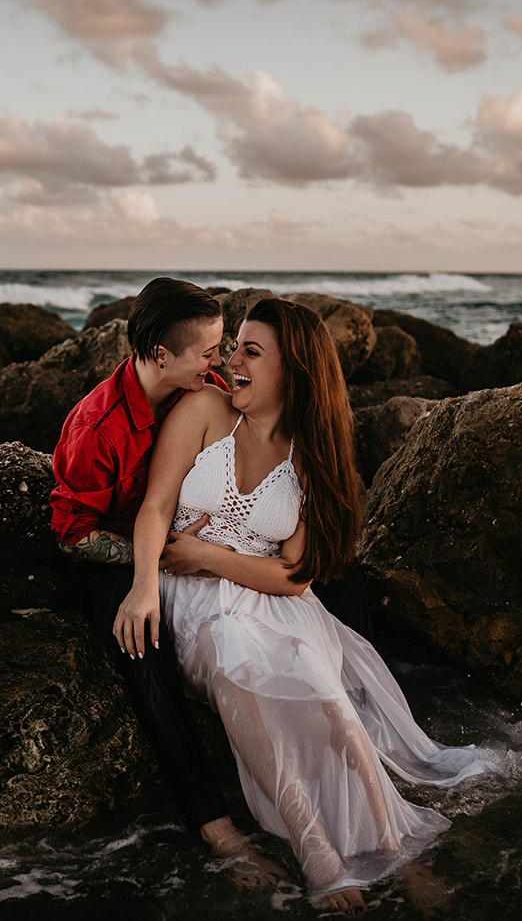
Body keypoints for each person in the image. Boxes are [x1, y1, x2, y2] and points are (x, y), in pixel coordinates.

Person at [135, 296, 488, 915]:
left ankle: (398, 853)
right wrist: (151, 579)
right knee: (240, 665)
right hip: (191, 600)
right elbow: (157, 508)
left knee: (328, 699)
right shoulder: (203, 411)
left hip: (269, 598)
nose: (231, 361)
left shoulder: (308, 453)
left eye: (250, 350)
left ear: (292, 369)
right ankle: (315, 847)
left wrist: (210, 557)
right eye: (234, 345)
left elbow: (295, 575)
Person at [50, 277, 285, 886]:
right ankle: (216, 827)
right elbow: (72, 535)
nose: (223, 361)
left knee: (331, 592)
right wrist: (150, 564)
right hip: (113, 564)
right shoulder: (97, 427)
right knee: (145, 648)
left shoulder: (204, 388)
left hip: (197, 549)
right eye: (210, 351)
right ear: (161, 355)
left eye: (226, 347)